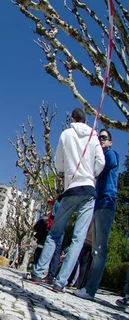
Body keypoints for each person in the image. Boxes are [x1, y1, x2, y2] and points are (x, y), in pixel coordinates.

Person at [27, 108, 105, 292]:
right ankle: (60, 282)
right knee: (78, 238)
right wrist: (91, 175)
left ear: (72, 118)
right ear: (85, 120)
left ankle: (38, 273)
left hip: (72, 188)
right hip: (89, 190)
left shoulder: (66, 134)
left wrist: (71, 172)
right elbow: (100, 161)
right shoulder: (94, 136)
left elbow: (58, 164)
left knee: (55, 233)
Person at [75, 129, 119, 300]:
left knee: (99, 250)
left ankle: (90, 289)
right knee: (94, 249)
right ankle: (87, 286)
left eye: (103, 138)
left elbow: (96, 169)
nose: (100, 140)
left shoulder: (110, 155)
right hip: (98, 205)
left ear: (110, 142)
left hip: (105, 204)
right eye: (98, 138)